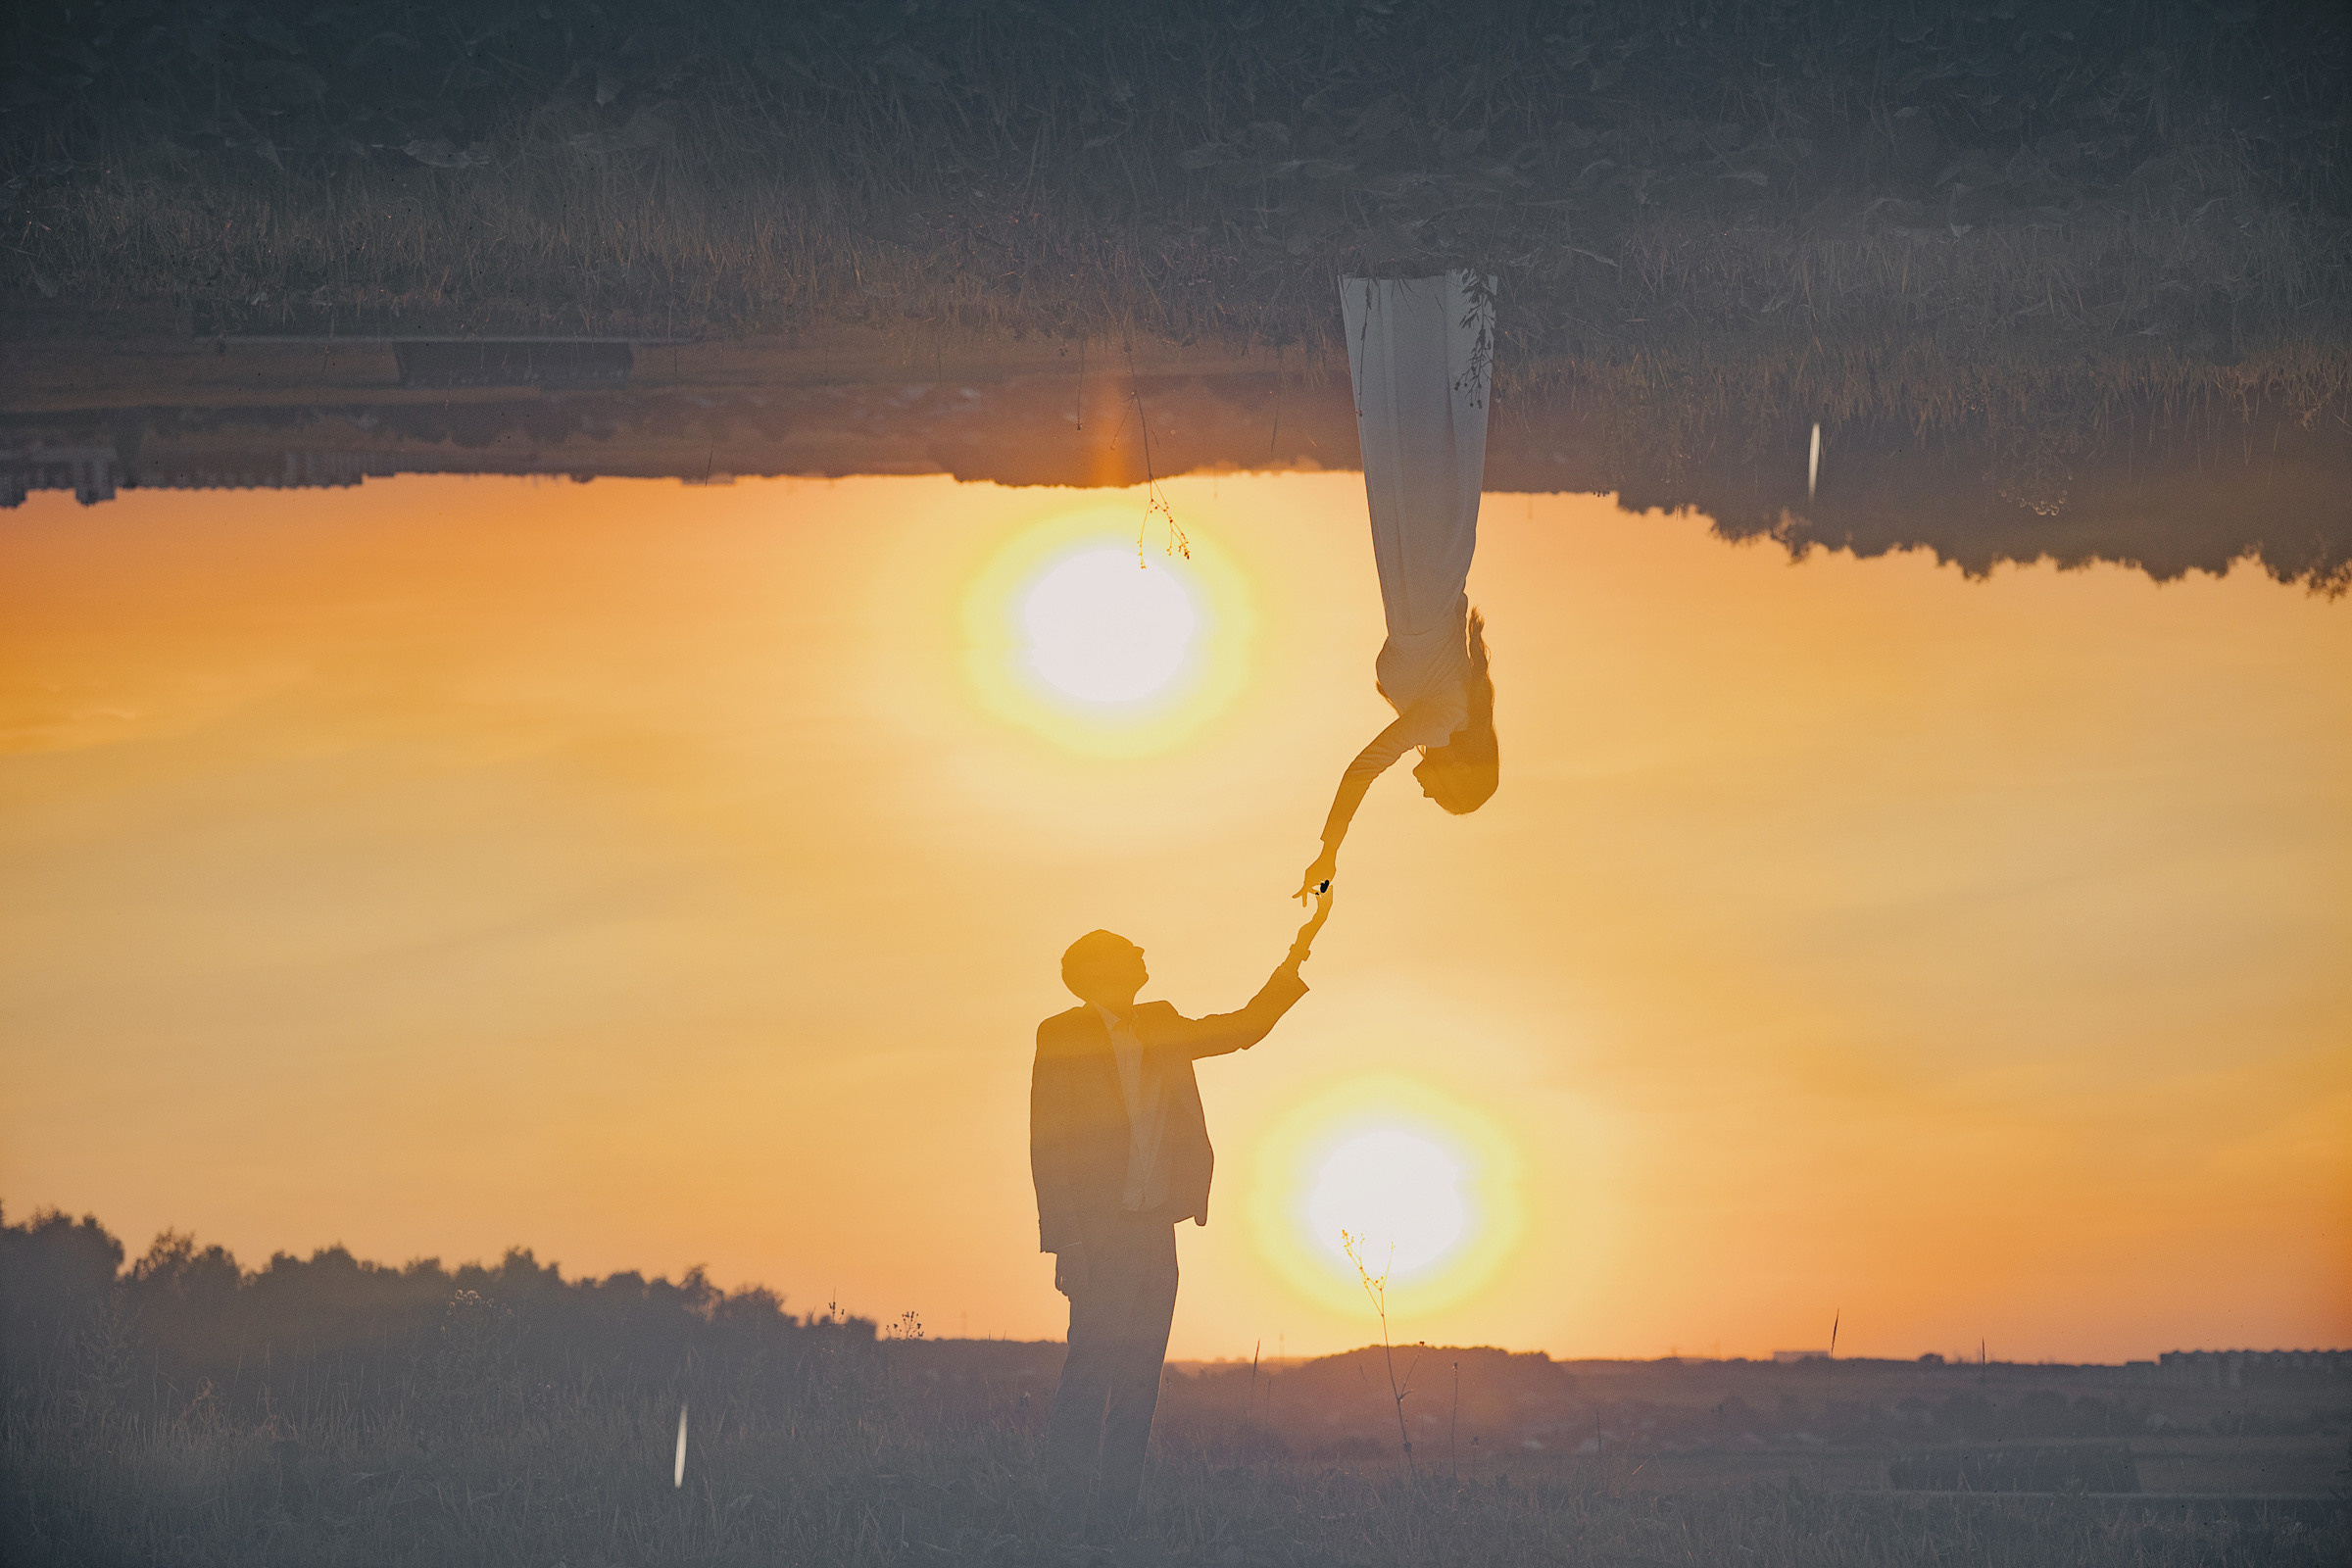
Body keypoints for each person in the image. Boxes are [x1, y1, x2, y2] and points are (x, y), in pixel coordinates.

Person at [1030, 891, 1332, 1532]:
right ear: (1098, 972)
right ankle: (1059, 1518)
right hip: (1097, 1233)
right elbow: (1047, 1145)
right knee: (1090, 1373)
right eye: (1127, 950)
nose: (1143, 953)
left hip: (1154, 1229)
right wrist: (1067, 1245)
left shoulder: (1162, 1021)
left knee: (1140, 1380)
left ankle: (1115, 1520)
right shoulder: (1060, 1034)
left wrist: (1298, 952)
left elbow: (1245, 1028)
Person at [1296, 270, 1499, 905]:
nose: (1423, 790)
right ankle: (1416, 300)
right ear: (1459, 771)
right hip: (1423, 571)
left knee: (1403, 436)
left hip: (1417, 574)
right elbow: (1362, 771)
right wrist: (1328, 852)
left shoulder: (1440, 715)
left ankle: (1398, 302)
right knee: (1416, 436)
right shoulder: (1444, 717)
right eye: (1438, 794)